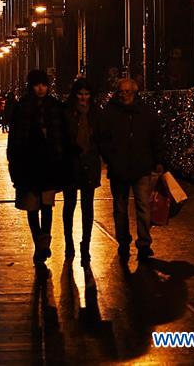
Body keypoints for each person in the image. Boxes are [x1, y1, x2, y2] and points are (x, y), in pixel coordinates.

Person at [7, 70, 70, 266]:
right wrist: (14, 163)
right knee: (33, 208)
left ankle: (44, 242)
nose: (41, 88)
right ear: (31, 86)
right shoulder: (23, 108)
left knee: (46, 206)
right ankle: (40, 242)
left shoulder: (54, 107)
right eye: (37, 85)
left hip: (49, 165)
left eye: (44, 84)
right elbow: (15, 139)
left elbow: (64, 136)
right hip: (29, 165)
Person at [100, 77, 165, 260]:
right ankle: (124, 241)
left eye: (127, 91)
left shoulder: (144, 113)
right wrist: (111, 158)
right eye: (121, 91)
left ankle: (143, 243)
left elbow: (155, 137)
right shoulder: (112, 113)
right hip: (122, 166)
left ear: (134, 93)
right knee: (121, 209)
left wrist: (158, 159)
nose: (124, 95)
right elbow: (104, 139)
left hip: (140, 166)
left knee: (142, 207)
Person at [63, 78, 102, 265]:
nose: (83, 98)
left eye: (86, 94)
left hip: (90, 165)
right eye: (80, 94)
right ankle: (68, 242)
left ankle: (85, 244)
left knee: (88, 207)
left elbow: (102, 138)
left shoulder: (95, 114)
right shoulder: (67, 113)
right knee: (69, 206)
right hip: (71, 164)